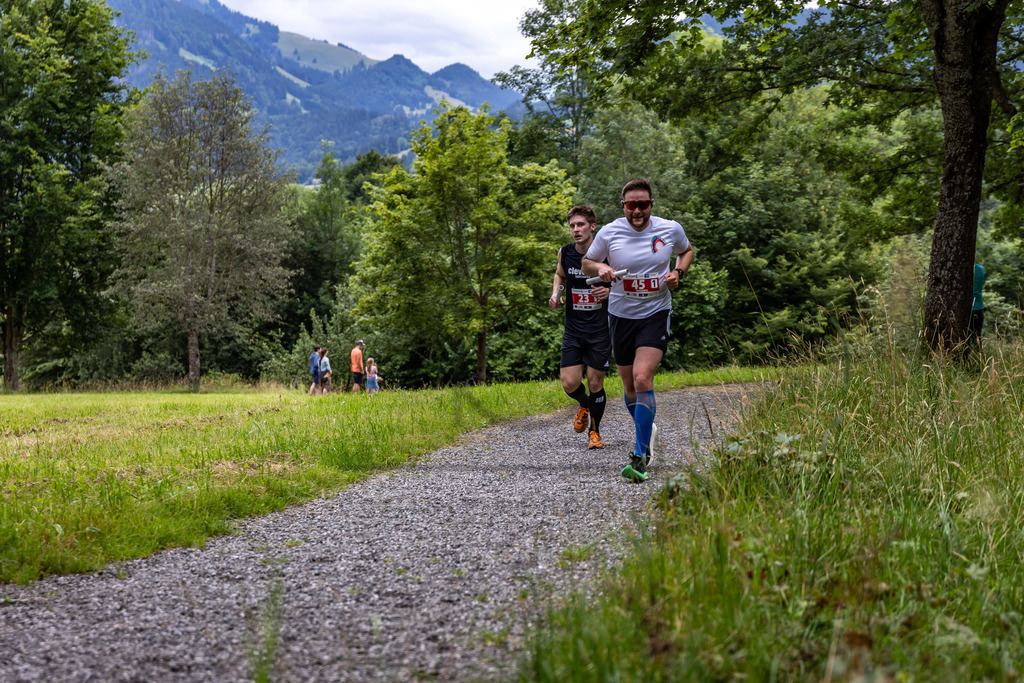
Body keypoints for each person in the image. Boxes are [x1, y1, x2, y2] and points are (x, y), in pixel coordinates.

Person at [583, 178, 693, 482]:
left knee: (644, 378)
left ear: (651, 205)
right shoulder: (609, 231)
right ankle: (647, 428)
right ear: (624, 206)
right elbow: (586, 261)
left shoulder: (670, 229)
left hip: (655, 312)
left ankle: (641, 455)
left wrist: (677, 272)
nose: (637, 211)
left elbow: (686, 251)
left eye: (643, 204)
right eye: (631, 205)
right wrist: (601, 268)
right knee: (630, 387)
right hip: (620, 315)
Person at [549, 205, 612, 449]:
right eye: (572, 226)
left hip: (600, 330)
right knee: (569, 383)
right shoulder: (564, 252)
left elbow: (622, 283)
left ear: (592, 226)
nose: (576, 230)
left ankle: (594, 433)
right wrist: (557, 294)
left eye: (581, 225)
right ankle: (584, 404)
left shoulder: (607, 255)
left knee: (596, 383)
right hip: (574, 329)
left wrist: (609, 291)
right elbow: (560, 276)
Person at [969, 262, 986, 350]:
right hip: (979, 307)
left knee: (966, 337)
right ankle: (978, 359)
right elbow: (982, 283)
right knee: (977, 336)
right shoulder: (981, 269)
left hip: (967, 309)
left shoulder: (964, 269)